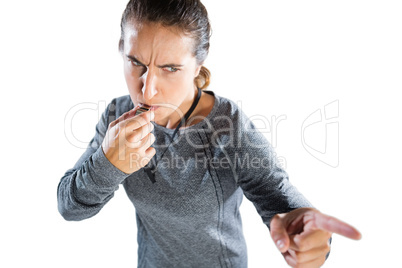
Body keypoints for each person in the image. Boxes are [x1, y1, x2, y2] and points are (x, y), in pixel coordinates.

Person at [57, 0, 361, 267]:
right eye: (136, 63)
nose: (147, 89)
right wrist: (108, 165)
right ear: (121, 49)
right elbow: (69, 207)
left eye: (170, 68)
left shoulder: (227, 126)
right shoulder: (116, 117)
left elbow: (277, 194)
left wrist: (302, 232)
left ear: (197, 64)